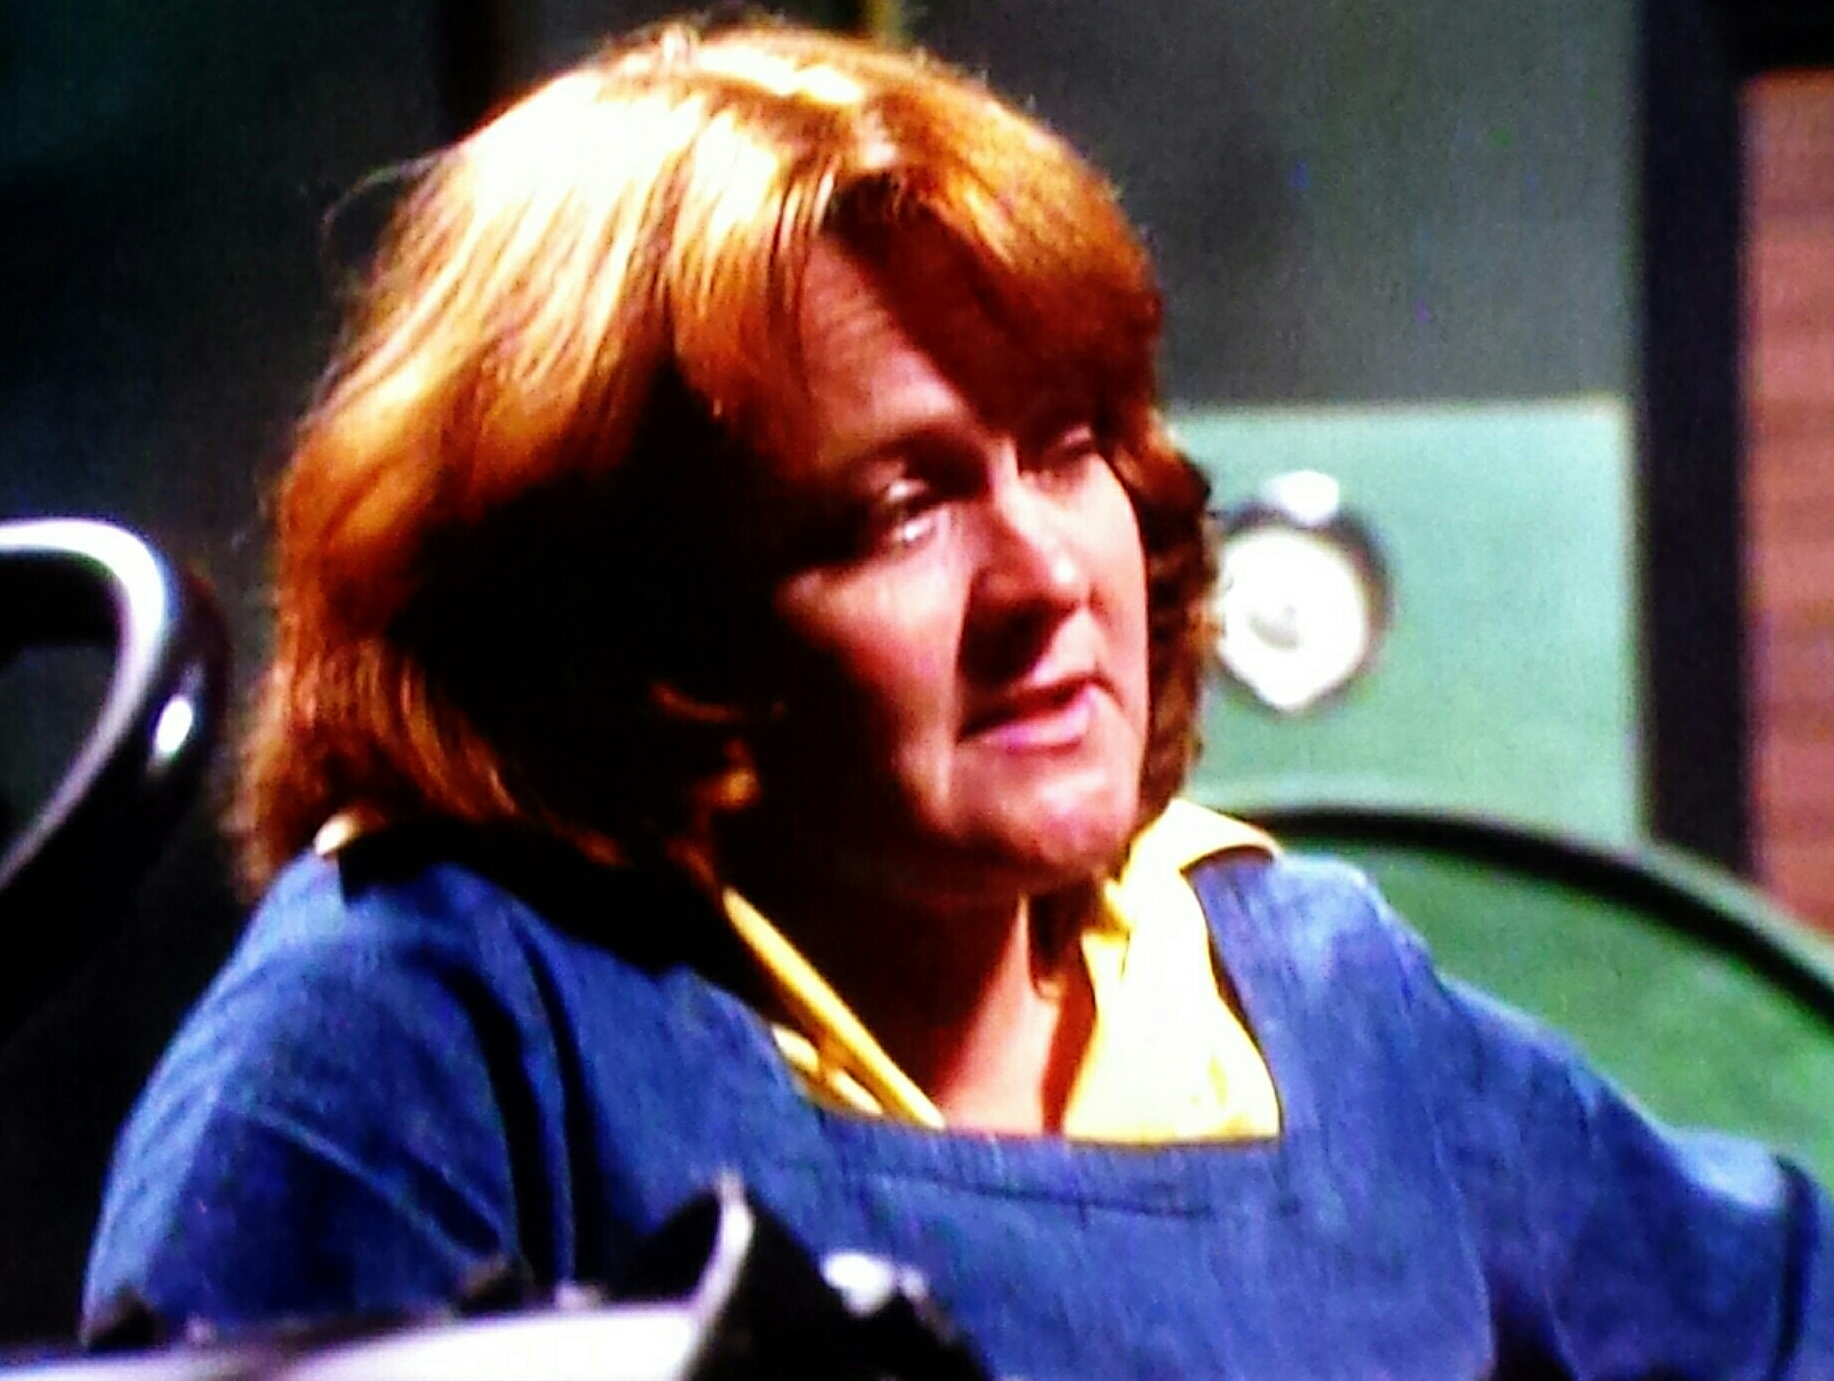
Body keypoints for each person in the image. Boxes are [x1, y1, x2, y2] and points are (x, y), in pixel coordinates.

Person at [84, 15, 1833, 1378]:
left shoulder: (1308, 1000)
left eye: (1064, 449)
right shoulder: (421, 1034)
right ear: (619, 613)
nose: (1046, 575)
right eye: (903, 505)